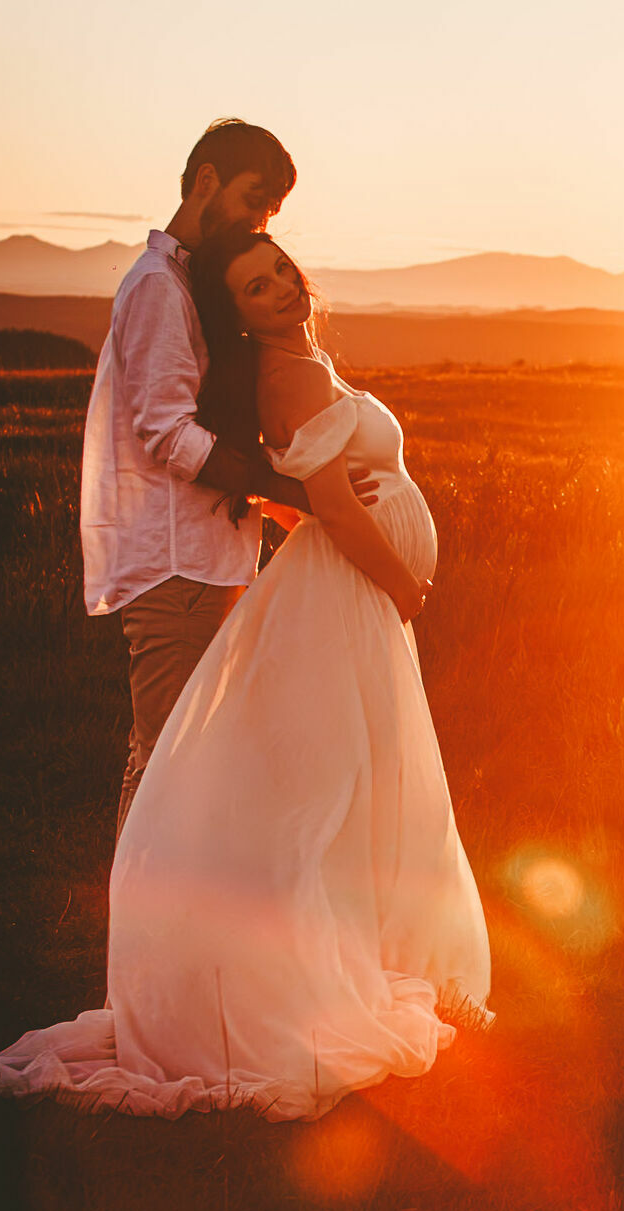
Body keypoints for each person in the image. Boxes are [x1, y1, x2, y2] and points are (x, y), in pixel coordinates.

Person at [0, 227, 491, 1122]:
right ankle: (252, 976)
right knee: (325, 787)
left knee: (349, 781)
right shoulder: (286, 374)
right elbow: (331, 501)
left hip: (347, 596)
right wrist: (401, 582)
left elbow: (300, 500)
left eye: (283, 270)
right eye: (257, 288)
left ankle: (331, 947)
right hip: (355, 597)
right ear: (239, 313)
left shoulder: (305, 362)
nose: (283, 288)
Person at [79, 118, 369, 837]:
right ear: (205, 180)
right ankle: (144, 943)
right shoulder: (156, 287)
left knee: (177, 759)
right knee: (165, 766)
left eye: (269, 216)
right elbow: (168, 433)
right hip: (177, 567)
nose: (257, 224)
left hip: (202, 562)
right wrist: (299, 493)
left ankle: (162, 939)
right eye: (252, 202)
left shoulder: (184, 282)